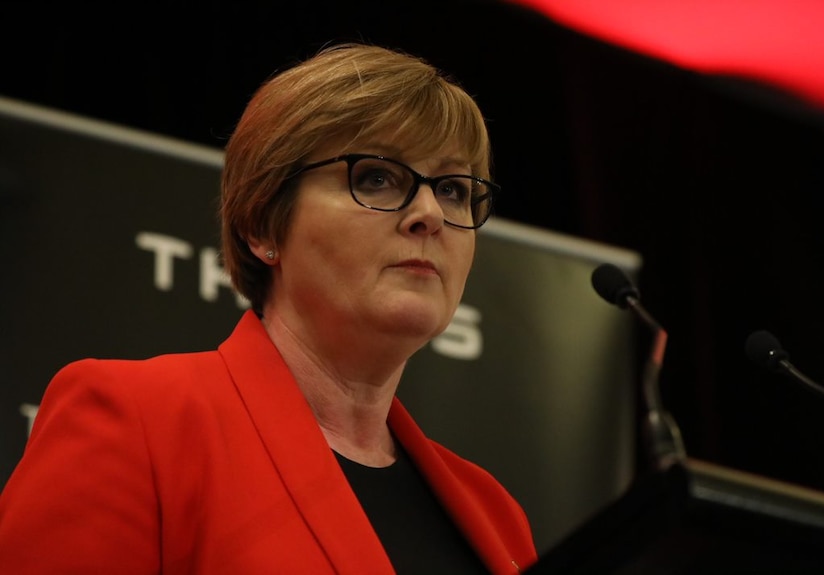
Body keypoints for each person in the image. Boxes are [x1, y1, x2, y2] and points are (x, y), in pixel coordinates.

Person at [0, 42, 538, 574]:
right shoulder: (137, 423)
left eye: (452, 189)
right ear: (263, 226)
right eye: (376, 176)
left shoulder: (496, 514)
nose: (429, 214)